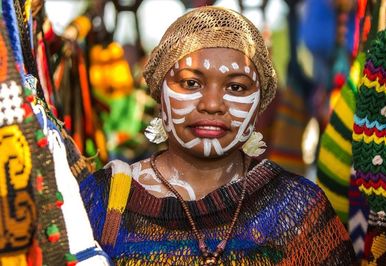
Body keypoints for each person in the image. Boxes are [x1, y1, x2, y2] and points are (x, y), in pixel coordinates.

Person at [80, 6, 355, 265]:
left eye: (236, 87)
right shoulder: (100, 200)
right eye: (190, 83)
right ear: (159, 95)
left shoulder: (298, 210)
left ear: (259, 104)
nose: (212, 104)